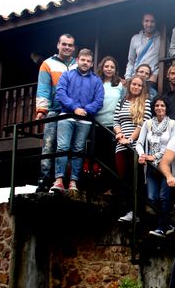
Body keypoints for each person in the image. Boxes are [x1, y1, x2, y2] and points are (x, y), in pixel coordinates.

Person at [51, 48, 104, 193]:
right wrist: (74, 108)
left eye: (88, 61)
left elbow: (99, 101)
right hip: (66, 116)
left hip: (84, 120)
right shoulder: (67, 76)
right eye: (83, 60)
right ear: (78, 60)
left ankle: (73, 181)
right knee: (62, 147)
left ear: (92, 63)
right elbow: (60, 93)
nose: (85, 63)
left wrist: (85, 110)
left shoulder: (96, 81)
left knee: (78, 150)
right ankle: (59, 180)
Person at [35, 33, 77, 192]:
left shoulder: (78, 64)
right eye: (64, 44)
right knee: (49, 144)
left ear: (74, 48)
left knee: (69, 146)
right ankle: (44, 179)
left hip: (71, 111)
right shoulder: (47, 64)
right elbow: (43, 88)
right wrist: (41, 110)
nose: (67, 47)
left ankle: (65, 179)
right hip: (53, 110)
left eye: (70, 45)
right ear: (58, 45)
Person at [136, 96, 175, 237]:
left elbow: (171, 145)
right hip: (150, 167)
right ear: (153, 108)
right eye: (157, 105)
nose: (159, 108)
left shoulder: (173, 124)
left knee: (163, 197)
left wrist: (154, 156)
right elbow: (139, 143)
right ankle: (166, 222)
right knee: (152, 197)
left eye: (162, 105)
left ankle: (162, 226)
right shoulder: (147, 123)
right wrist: (142, 155)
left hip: (166, 166)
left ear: (166, 108)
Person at [113, 76, 152, 222]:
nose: (136, 87)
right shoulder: (121, 102)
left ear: (142, 88)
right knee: (124, 179)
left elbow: (143, 124)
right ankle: (128, 211)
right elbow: (116, 121)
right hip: (120, 145)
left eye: (139, 85)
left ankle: (137, 213)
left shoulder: (146, 102)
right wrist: (119, 133)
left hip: (137, 146)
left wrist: (130, 139)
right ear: (129, 85)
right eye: (134, 84)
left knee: (136, 179)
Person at [94, 56, 124, 181]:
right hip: (97, 124)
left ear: (115, 69)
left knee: (111, 156)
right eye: (106, 66)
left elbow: (123, 103)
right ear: (102, 67)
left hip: (113, 125)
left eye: (112, 67)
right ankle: (98, 185)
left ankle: (110, 185)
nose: (109, 69)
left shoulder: (120, 84)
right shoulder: (96, 82)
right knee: (98, 156)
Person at [125, 13, 160, 97]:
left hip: (150, 78)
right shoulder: (135, 38)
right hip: (135, 76)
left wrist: (155, 74)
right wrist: (128, 77)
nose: (149, 24)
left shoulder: (161, 38)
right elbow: (131, 61)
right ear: (142, 22)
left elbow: (164, 59)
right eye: (146, 21)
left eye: (152, 21)